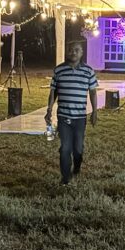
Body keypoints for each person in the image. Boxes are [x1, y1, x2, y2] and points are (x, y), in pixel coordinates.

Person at [44, 41, 98, 185]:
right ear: (67, 52)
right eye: (70, 50)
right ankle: (65, 177)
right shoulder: (59, 70)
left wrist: (94, 112)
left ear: (81, 52)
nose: (73, 52)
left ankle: (77, 166)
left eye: (76, 50)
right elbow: (53, 92)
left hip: (80, 117)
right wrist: (49, 110)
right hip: (63, 117)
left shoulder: (88, 71)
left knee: (78, 149)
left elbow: (93, 92)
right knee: (65, 148)